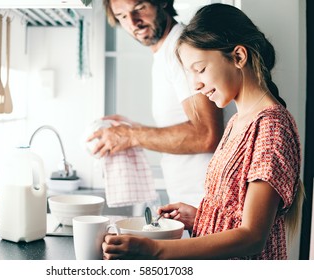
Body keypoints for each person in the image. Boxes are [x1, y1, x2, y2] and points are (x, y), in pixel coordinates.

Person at [102, 3, 304, 260]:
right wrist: (199, 217)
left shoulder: (272, 127)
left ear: (238, 57)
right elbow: (237, 218)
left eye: (200, 69)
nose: (196, 84)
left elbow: (253, 236)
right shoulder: (238, 123)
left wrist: (154, 249)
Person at [88, 0, 224, 207]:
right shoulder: (166, 52)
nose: (133, 23)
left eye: (139, 8)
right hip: (193, 204)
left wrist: (131, 136)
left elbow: (206, 135)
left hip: (207, 202)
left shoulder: (181, 48)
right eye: (122, 16)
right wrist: (136, 130)